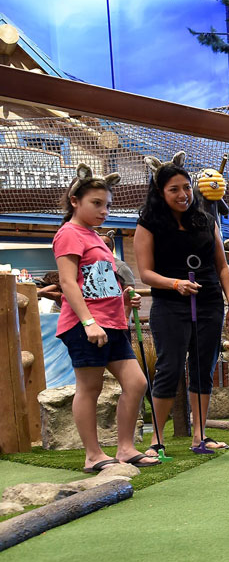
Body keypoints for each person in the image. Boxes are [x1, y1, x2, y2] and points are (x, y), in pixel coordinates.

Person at [133, 151, 229, 457]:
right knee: (168, 367)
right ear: (160, 192)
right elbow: (146, 273)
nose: (183, 195)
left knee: (203, 367)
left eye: (186, 188)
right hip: (170, 304)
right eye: (174, 189)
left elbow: (221, 265)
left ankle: (200, 436)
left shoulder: (206, 219)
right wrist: (175, 284)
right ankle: (156, 439)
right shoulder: (149, 224)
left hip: (208, 303)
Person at [52, 164, 158, 472]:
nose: (104, 210)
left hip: (113, 323)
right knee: (90, 387)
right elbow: (69, 282)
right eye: (96, 203)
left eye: (107, 204)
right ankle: (93, 454)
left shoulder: (95, 237)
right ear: (75, 200)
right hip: (86, 325)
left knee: (136, 383)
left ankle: (125, 448)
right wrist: (88, 322)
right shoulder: (69, 234)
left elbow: (99, 281)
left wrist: (125, 300)